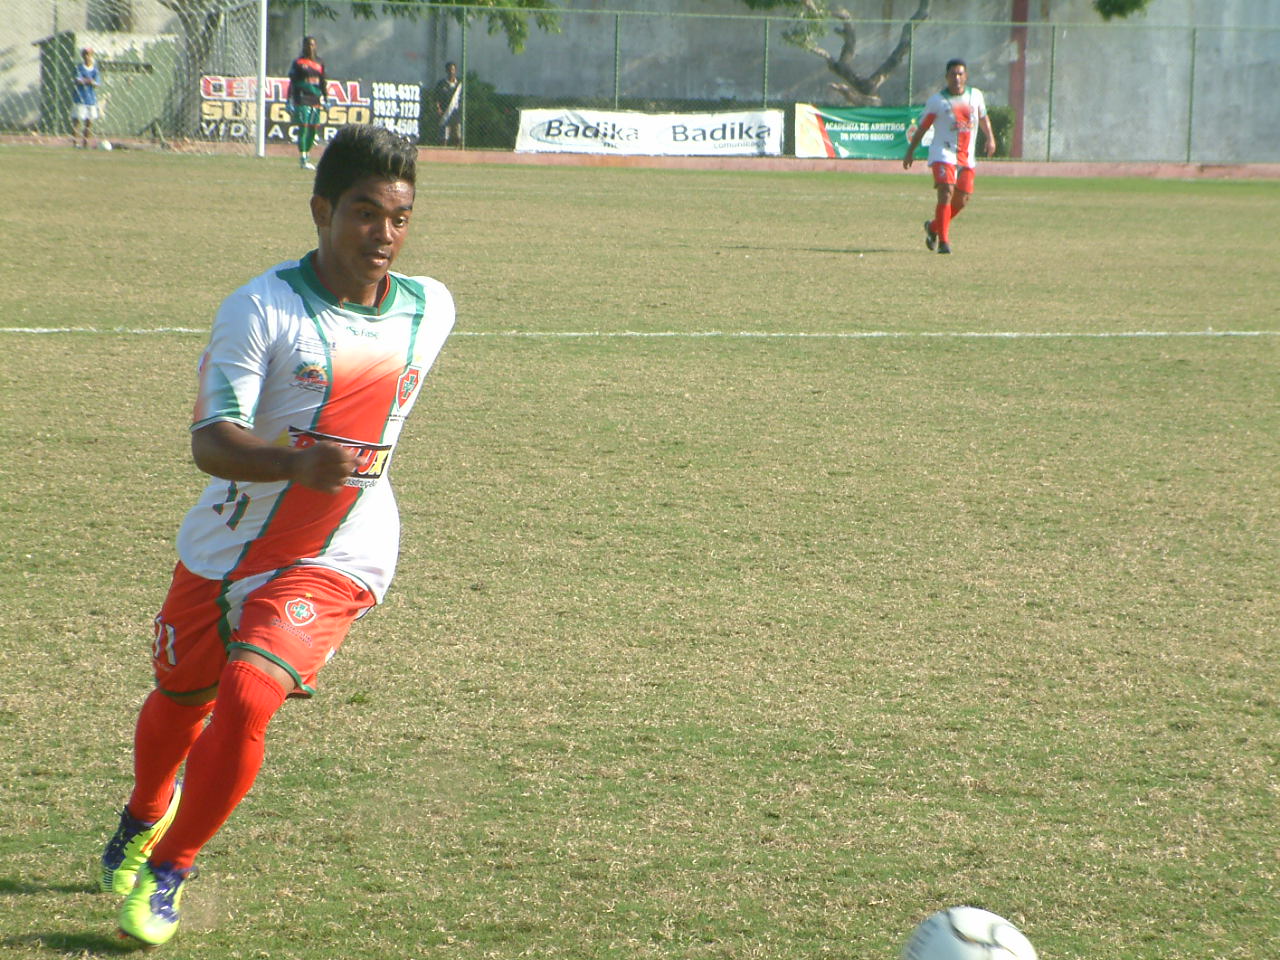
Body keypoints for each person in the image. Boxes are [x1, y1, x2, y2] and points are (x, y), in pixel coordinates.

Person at [98, 124, 455, 946]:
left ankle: (170, 870)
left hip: (341, 546)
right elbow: (210, 441)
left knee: (250, 691)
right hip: (227, 543)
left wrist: (329, 476)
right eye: (365, 213)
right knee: (180, 699)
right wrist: (297, 464)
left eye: (399, 217)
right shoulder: (261, 308)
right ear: (322, 211)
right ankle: (144, 815)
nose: (384, 234)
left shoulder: (429, 308)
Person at [903, 58, 996, 255]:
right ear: (946, 77)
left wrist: (990, 138)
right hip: (943, 153)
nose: (957, 78)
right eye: (953, 74)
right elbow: (923, 128)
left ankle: (933, 227)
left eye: (960, 74)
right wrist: (910, 151)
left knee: (962, 200)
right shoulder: (937, 101)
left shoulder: (975, 96)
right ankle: (944, 242)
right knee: (946, 191)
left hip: (966, 157)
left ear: (966, 76)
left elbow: (983, 118)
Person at [288, 36, 327, 170]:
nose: (310, 47)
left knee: (313, 129)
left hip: (315, 99)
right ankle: (303, 158)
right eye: (308, 44)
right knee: (303, 128)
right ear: (304, 46)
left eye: (312, 44)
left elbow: (323, 82)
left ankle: (308, 155)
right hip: (302, 98)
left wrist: (326, 98)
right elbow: (292, 83)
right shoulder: (298, 62)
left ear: (315, 46)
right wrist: (289, 100)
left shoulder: (320, 62)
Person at [71, 47, 101, 148]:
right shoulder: (79, 68)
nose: (87, 57)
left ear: (92, 56)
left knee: (89, 122)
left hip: (91, 99)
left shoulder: (95, 70)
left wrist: (88, 81)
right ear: (83, 56)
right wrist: (89, 81)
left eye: (89, 55)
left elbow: (97, 83)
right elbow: (78, 80)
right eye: (85, 54)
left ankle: (85, 143)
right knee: (77, 121)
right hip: (79, 98)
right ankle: (75, 143)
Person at [431, 61, 462, 146]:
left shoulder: (459, 84)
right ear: (447, 71)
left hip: (456, 112)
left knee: (457, 135)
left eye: (453, 70)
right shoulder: (441, 84)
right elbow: (436, 97)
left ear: (455, 71)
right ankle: (443, 151)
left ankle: (457, 151)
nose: (451, 72)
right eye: (449, 70)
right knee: (444, 136)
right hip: (445, 112)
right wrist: (438, 108)